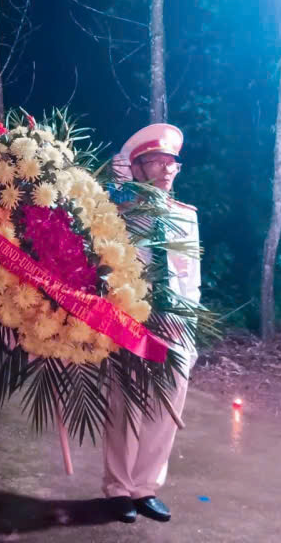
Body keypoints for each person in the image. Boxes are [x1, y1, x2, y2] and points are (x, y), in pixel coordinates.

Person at [101, 123, 200, 525]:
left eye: (171, 162)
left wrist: (189, 328)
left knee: (166, 407)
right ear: (138, 169)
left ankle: (146, 487)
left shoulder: (187, 217)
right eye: (155, 162)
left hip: (177, 326)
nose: (166, 169)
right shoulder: (120, 217)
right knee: (125, 407)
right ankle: (118, 488)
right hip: (133, 325)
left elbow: (191, 277)